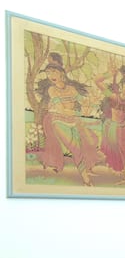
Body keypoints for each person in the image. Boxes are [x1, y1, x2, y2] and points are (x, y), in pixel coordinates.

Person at [36, 53, 101, 186]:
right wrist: (80, 113)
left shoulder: (71, 89)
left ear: (61, 73)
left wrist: (92, 103)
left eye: (54, 72)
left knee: (89, 142)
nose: (51, 76)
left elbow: (83, 102)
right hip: (59, 121)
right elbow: (62, 110)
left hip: (73, 121)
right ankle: (86, 180)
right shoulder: (52, 90)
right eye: (48, 73)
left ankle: (87, 171)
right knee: (75, 149)